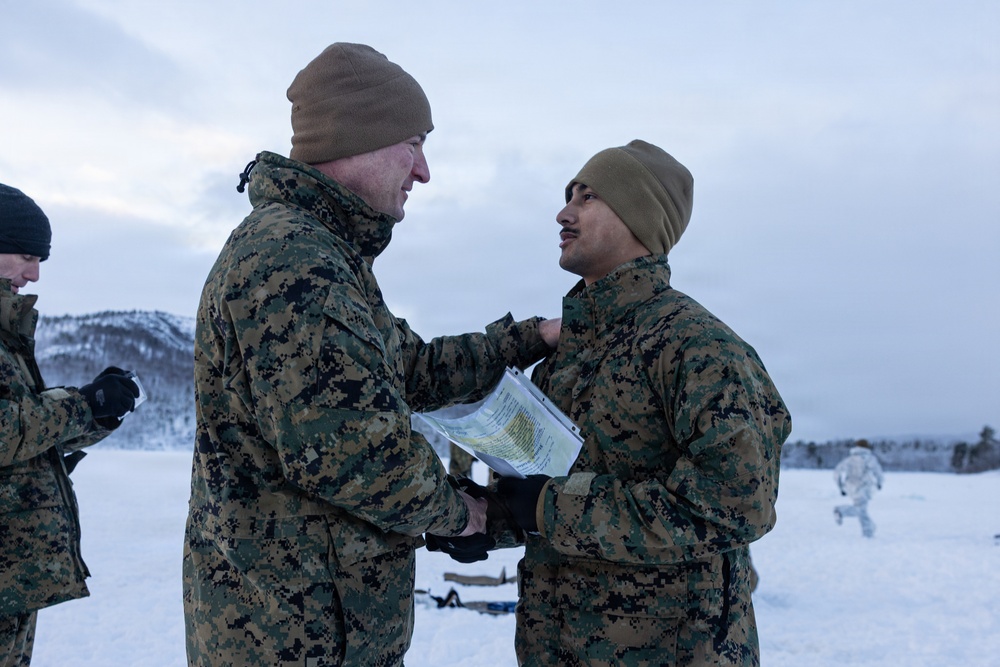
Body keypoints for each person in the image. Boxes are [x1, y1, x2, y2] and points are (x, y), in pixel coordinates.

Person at [182, 43, 558, 667]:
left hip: (320, 623)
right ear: (357, 136)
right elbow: (355, 452)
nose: (424, 171)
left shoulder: (325, 253)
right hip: (292, 636)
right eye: (414, 144)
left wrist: (527, 339)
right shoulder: (292, 262)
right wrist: (465, 514)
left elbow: (406, 370)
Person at [429, 140, 792, 666]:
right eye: (568, 195)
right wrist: (492, 518)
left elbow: (737, 505)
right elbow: (556, 485)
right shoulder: (567, 355)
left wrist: (548, 508)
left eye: (589, 196)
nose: (564, 212)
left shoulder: (697, 346)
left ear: (641, 218)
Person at [0, 184, 140, 667]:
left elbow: (25, 427)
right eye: (24, 255)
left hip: (11, 574)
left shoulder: (6, 330)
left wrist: (98, 412)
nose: (34, 273)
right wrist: (80, 404)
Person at [833, 438, 884, 538]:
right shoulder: (869, 458)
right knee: (861, 510)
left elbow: (837, 473)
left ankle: (869, 530)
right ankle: (841, 511)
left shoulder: (849, 459)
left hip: (851, 488)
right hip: (864, 488)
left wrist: (841, 487)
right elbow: (878, 472)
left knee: (861, 509)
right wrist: (879, 483)